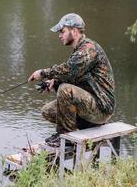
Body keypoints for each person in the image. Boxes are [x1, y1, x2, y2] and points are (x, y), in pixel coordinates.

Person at [28, 13, 115, 147]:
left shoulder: (88, 49)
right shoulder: (79, 50)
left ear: (74, 31)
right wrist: (54, 82)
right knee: (48, 111)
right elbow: (74, 76)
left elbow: (68, 70)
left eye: (62, 31)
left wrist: (43, 73)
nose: (59, 35)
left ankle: (67, 137)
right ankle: (88, 127)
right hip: (91, 105)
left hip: (101, 107)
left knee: (65, 90)